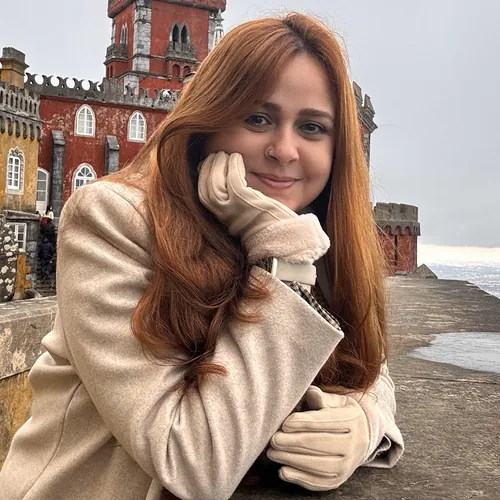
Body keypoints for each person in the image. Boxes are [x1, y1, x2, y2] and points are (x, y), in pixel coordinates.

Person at [0, 13, 404, 500]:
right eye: (258, 119)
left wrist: (366, 423)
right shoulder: (111, 220)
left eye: (312, 127)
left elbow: (367, 366)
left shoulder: (313, 229)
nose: (284, 150)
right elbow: (193, 462)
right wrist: (285, 260)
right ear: (208, 122)